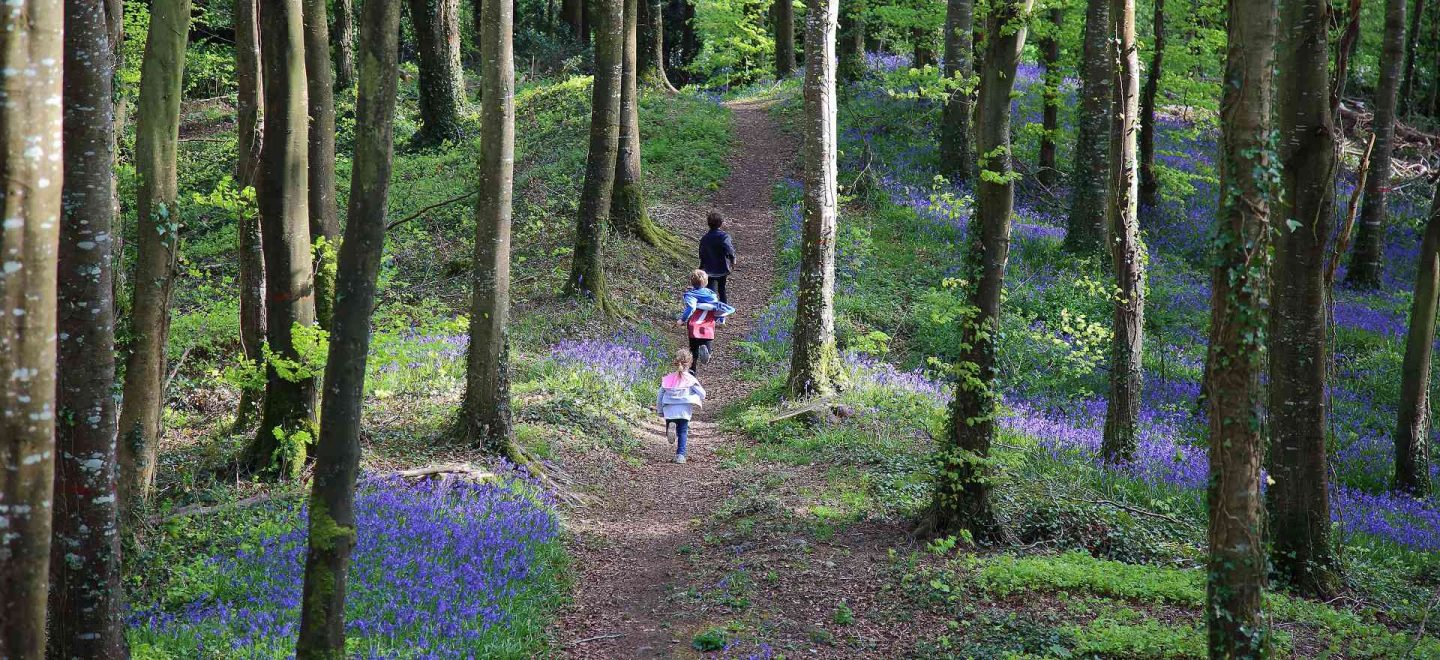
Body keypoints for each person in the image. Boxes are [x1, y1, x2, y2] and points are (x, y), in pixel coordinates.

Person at [677, 269, 734, 372]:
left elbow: (691, 307)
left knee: (693, 349)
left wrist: (682, 319)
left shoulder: (691, 295)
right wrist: (721, 319)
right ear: (706, 282)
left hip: (694, 323)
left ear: (691, 282)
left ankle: (692, 370)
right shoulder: (711, 294)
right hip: (708, 323)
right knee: (707, 339)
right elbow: (718, 306)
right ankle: (707, 349)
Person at [656, 349, 706, 463]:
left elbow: (660, 395)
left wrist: (660, 410)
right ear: (690, 363)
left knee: (671, 425)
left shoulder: (668, 379)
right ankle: (680, 455)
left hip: (669, 409)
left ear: (675, 362)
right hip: (684, 410)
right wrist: (695, 396)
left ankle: (671, 426)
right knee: (683, 432)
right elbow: (703, 394)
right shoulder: (691, 379)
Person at [699, 211, 736, 304]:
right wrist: (733, 260)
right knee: (722, 289)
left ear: (708, 224)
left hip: (709, 269)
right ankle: (724, 308)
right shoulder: (724, 237)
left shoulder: (704, 238)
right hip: (722, 268)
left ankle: (711, 309)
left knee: (711, 291)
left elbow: (701, 253)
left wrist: (702, 265)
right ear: (721, 223)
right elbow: (729, 249)